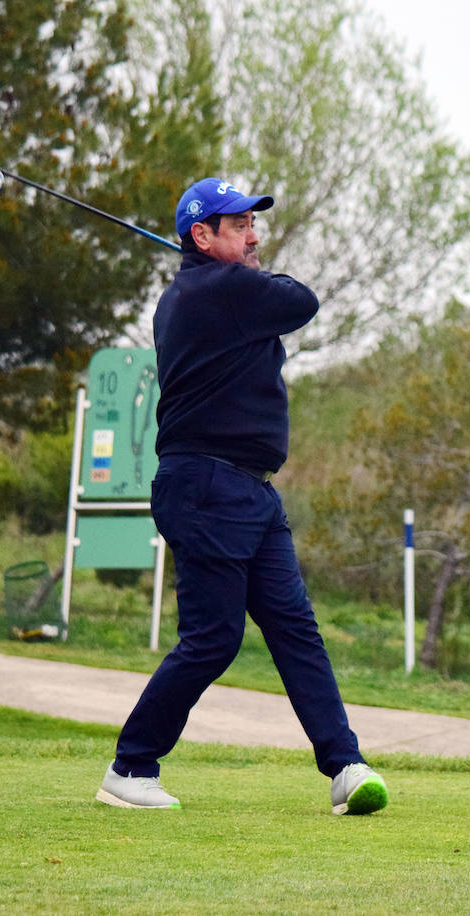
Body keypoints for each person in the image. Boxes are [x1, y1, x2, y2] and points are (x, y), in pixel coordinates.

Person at [96, 177, 388, 816]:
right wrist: (245, 271)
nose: (254, 236)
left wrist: (236, 265)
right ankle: (131, 767)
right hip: (206, 485)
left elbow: (275, 301)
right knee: (214, 636)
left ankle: (345, 767)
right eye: (239, 227)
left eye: (255, 225)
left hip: (246, 490)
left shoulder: (207, 290)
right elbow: (302, 299)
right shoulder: (219, 289)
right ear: (201, 236)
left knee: (293, 629)